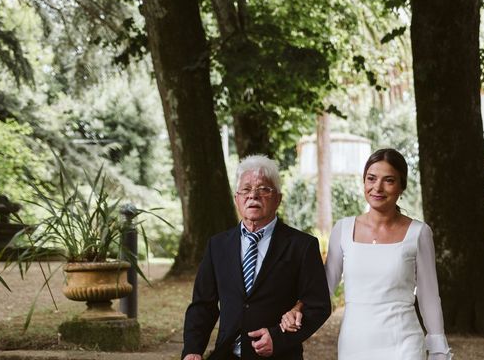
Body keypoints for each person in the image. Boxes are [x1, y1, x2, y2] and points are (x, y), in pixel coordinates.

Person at [280, 148, 452, 360]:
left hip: (403, 342)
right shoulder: (343, 229)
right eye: (371, 179)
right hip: (355, 342)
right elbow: (324, 285)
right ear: (364, 182)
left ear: (401, 187)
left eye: (388, 180)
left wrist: (438, 349)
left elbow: (428, 296)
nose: (377, 187)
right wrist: (298, 308)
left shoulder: (419, 233)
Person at [182, 155, 331, 360]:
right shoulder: (217, 245)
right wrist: (192, 350)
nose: (253, 195)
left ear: (278, 198)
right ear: (236, 198)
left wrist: (278, 339)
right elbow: (203, 306)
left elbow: (318, 306)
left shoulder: (302, 246)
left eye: (263, 189)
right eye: (246, 189)